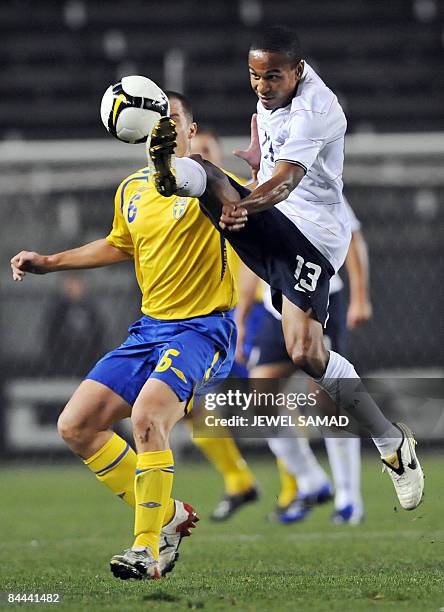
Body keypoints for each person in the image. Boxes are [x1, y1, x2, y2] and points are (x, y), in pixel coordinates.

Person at [148, 26, 424, 512]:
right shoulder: (271, 97)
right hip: (279, 225)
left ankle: (387, 446)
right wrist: (257, 168)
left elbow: (286, 182)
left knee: (210, 176)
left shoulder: (317, 108)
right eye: (254, 76)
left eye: (272, 76)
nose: (261, 85)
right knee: (301, 357)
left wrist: (247, 202)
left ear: (296, 71)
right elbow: (271, 170)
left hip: (312, 237)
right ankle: (386, 445)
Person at [10, 92, 239, 581]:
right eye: (158, 119)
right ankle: (170, 515)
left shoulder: (206, 182)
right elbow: (118, 244)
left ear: (192, 132)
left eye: (174, 119)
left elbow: (230, 198)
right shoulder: (131, 190)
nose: (164, 127)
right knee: (76, 425)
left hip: (201, 329)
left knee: (148, 415)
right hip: (150, 329)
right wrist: (50, 262)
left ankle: (147, 547)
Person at [250, 199, 370, 525]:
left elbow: (354, 236)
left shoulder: (314, 174)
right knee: (260, 395)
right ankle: (311, 481)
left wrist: (360, 297)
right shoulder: (256, 187)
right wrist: (243, 314)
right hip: (276, 301)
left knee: (327, 397)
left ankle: (348, 497)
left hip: (320, 293)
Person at [190, 129, 260, 521]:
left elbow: (251, 262)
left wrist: (245, 318)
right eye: (193, 154)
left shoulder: (232, 198)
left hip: (233, 317)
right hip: (199, 320)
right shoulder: (179, 202)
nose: (198, 159)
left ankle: (298, 486)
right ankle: (241, 481)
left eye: (206, 153)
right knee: (191, 408)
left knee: (273, 397)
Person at [43, 274, 106, 377]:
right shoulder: (58, 310)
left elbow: (99, 333)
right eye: (71, 285)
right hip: (63, 357)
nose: (74, 289)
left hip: (88, 356)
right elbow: (51, 335)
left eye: (77, 285)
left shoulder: (90, 309)